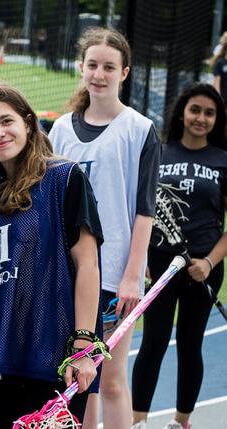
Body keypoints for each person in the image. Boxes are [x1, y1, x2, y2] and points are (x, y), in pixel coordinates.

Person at [0, 83, 103, 427]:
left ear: (28, 123)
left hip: (54, 361)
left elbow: (88, 265)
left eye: (6, 121)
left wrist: (84, 347)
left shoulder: (64, 178)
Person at [49, 27, 160, 429]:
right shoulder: (60, 129)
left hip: (114, 275)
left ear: (124, 72)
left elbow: (143, 210)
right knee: (78, 380)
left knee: (111, 381)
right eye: (92, 65)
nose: (99, 73)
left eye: (108, 67)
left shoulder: (139, 129)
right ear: (81, 68)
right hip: (68, 273)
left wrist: (133, 276)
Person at [131, 83, 227, 429]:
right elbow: (139, 211)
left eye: (209, 112)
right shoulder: (160, 152)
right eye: (195, 110)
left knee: (190, 343)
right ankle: (138, 420)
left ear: (217, 119)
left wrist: (209, 262)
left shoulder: (222, 161)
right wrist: (140, 260)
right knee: (153, 341)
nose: (201, 118)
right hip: (159, 263)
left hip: (204, 266)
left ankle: (181, 421)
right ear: (182, 113)